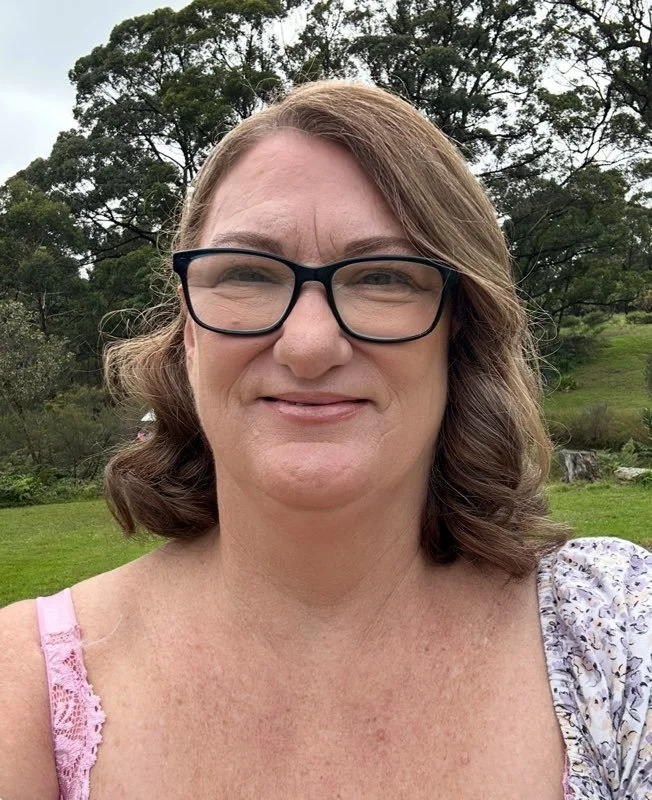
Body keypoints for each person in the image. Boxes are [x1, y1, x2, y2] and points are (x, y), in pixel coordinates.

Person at [1, 80, 650, 800]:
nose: (309, 344)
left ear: (458, 327)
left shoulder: (619, 639)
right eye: (247, 272)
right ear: (187, 330)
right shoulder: (20, 683)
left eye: (382, 276)